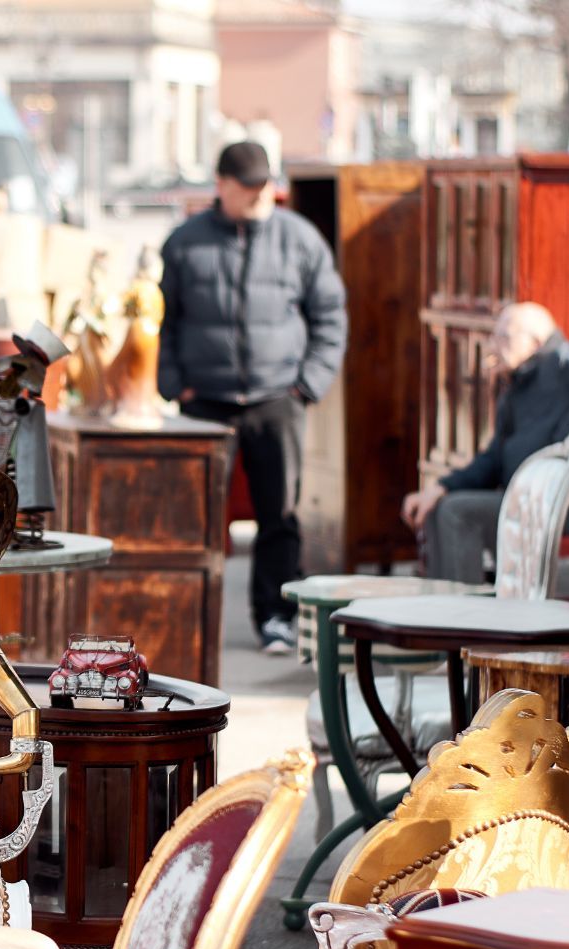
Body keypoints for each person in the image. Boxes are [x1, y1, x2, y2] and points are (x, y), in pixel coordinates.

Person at [158, 141, 347, 656]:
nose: (261, 194)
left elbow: (330, 316)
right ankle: (188, 618)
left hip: (276, 398)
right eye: (249, 186)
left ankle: (276, 618)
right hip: (206, 403)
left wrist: (307, 384)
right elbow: (165, 319)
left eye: (266, 183)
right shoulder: (184, 243)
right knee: (195, 517)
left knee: (278, 514)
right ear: (221, 185)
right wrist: (175, 385)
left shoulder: (300, 239)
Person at [400, 301, 569, 583]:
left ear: (535, 342)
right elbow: (494, 458)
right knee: (438, 507)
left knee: (457, 513)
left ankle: (465, 618)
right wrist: (440, 488)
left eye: (504, 337)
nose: (493, 345)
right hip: (519, 495)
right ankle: (439, 612)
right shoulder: (520, 378)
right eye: (494, 335)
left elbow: (565, 451)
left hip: (558, 504)